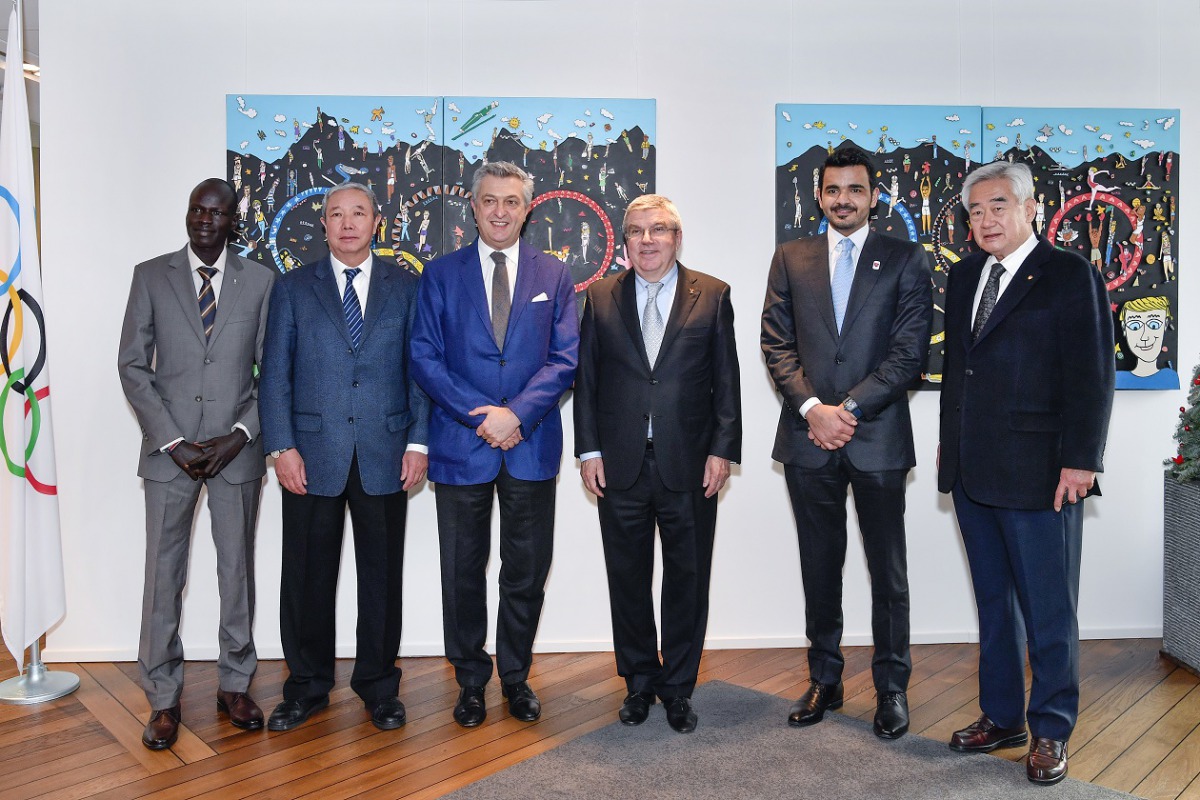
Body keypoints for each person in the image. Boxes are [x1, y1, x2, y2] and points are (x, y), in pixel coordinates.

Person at [939, 160, 1114, 785]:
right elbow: (960, 371)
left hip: (1044, 474)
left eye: (998, 206)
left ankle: (1050, 730)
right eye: (976, 211)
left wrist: (1081, 460)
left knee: (1048, 609)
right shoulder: (963, 278)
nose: (987, 220)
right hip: (973, 471)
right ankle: (1003, 717)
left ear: (1030, 208)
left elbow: (1092, 375)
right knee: (993, 605)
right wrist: (948, 445)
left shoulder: (1070, 275)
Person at [761, 147, 932, 740]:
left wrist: (848, 411)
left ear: (874, 196)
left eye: (855, 190)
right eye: (833, 190)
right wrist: (813, 409)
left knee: (889, 572)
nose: (843, 200)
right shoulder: (791, 258)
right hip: (808, 440)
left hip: (876, 438)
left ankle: (892, 688)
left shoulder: (907, 258)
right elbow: (775, 345)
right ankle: (824, 679)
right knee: (819, 565)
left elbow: (910, 354)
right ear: (819, 195)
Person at [410, 162, 578, 728]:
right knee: (461, 570)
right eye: (489, 201)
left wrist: (517, 415)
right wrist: (480, 415)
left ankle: (515, 676)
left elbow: (564, 359)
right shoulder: (439, 274)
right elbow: (424, 356)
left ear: (527, 207)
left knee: (525, 569)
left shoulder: (553, 275)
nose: (500, 211)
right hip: (462, 444)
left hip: (529, 444)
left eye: (511, 201)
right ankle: (471, 681)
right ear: (474, 207)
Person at [259, 181, 430, 732]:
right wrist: (281, 446)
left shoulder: (407, 288)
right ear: (325, 225)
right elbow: (274, 377)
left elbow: (420, 371)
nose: (348, 223)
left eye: (359, 213)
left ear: (376, 222)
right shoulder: (291, 288)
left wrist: (418, 441)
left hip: (386, 450)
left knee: (381, 577)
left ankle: (379, 687)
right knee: (307, 575)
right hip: (311, 455)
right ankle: (307, 686)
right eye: (337, 214)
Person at [118, 178, 276, 750]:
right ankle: (162, 698)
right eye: (195, 209)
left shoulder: (260, 281)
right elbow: (132, 366)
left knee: (236, 572)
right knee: (164, 578)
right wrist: (170, 440)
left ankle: (235, 684)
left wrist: (239, 435)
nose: (204, 219)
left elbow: (271, 371)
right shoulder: (150, 275)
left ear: (234, 219)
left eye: (216, 212)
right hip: (170, 456)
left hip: (236, 454)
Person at [574, 194, 741, 733]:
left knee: (688, 579)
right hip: (619, 463)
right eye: (637, 232)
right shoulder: (599, 297)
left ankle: (679, 689)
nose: (648, 240)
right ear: (624, 242)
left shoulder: (712, 295)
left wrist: (722, 450)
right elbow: (587, 381)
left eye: (659, 230)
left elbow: (727, 383)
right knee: (627, 578)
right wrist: (589, 450)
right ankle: (640, 682)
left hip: (690, 464)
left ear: (677, 238)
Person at [1115, 295, 1178, 389]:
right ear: (1124, 328)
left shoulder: (1170, 377)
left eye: (1153, 325)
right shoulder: (1117, 379)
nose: (1145, 336)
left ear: (1165, 325)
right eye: (1135, 326)